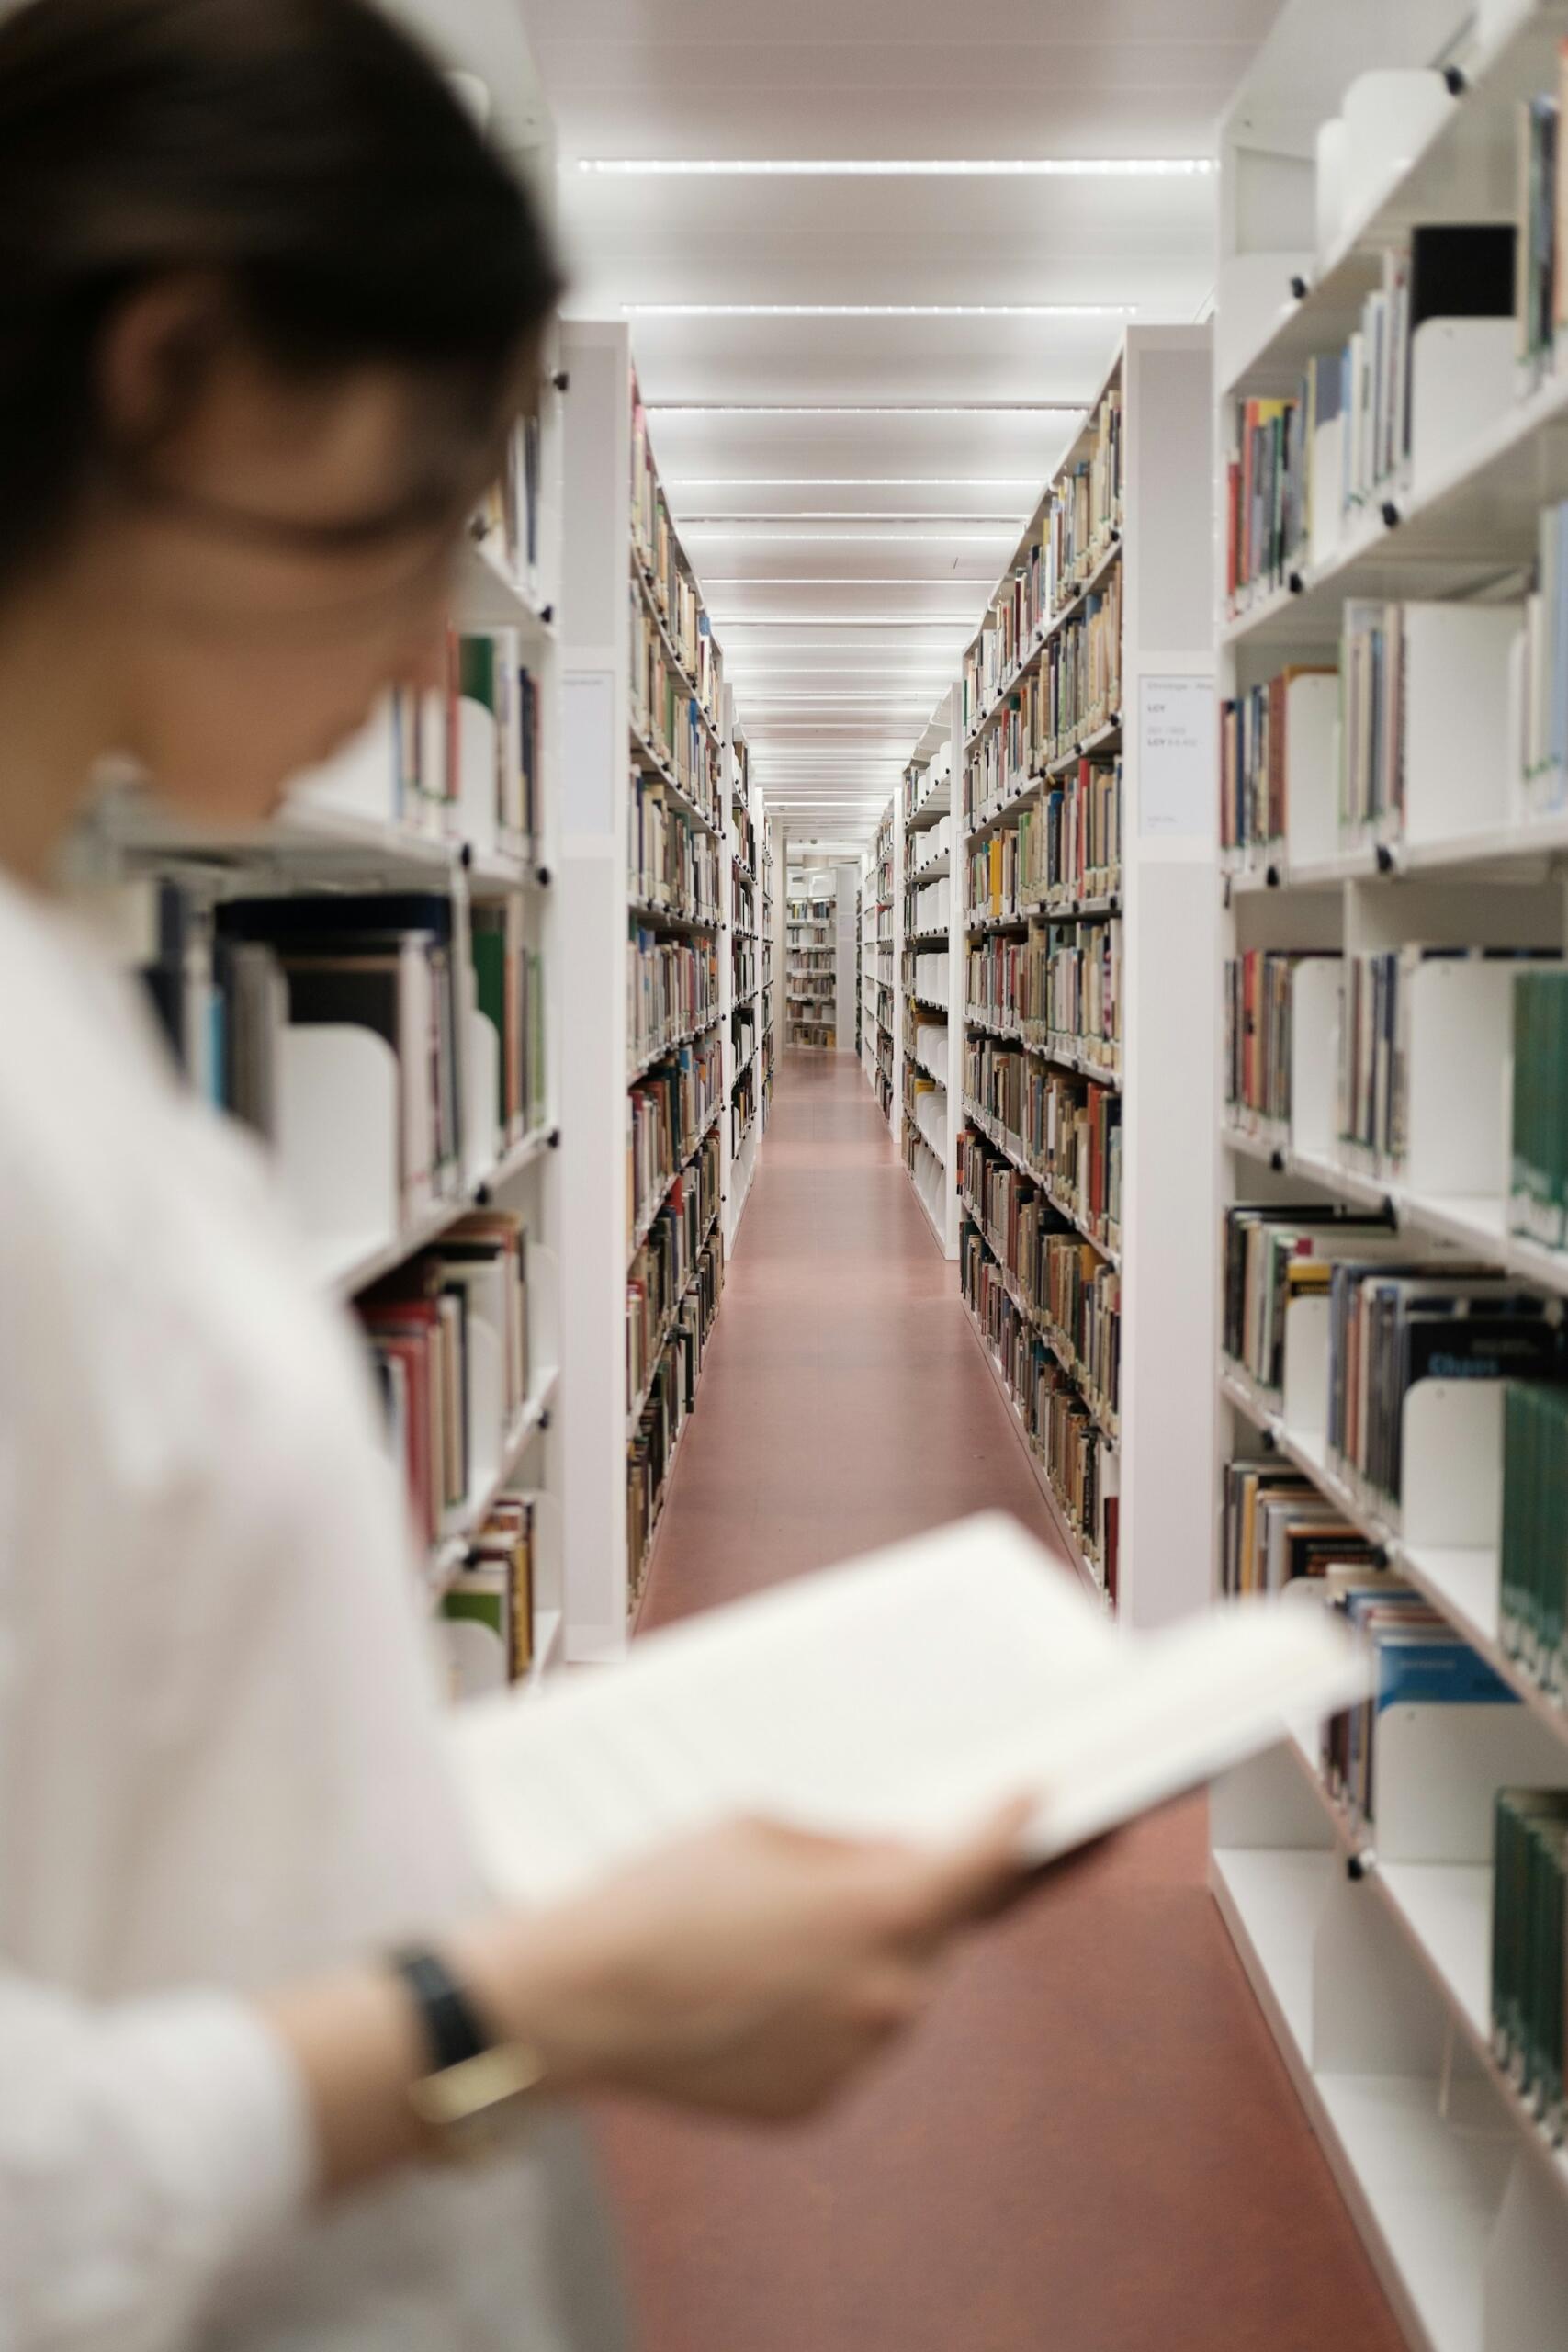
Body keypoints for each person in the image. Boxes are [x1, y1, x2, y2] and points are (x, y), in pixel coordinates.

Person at [0, 1, 1044, 2344]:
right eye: (407, 506)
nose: (413, 643)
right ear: (181, 376)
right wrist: (517, 2002)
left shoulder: (60, 983)